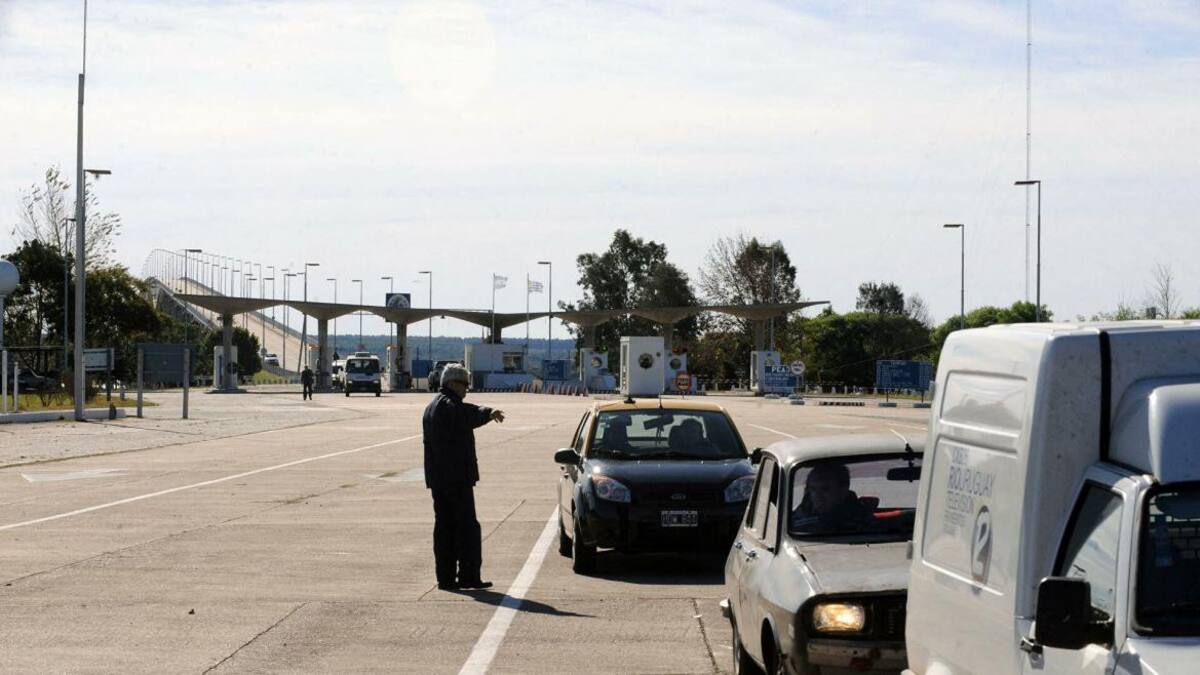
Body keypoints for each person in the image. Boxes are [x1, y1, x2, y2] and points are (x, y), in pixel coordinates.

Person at [422, 363, 505, 590]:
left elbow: (464, 411)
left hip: (440, 479)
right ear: (452, 383)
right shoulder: (447, 406)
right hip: (455, 479)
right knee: (466, 528)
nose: (466, 389)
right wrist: (487, 413)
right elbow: (464, 414)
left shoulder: (431, 407)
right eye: (464, 384)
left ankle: (446, 578)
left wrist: (484, 412)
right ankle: (468, 576)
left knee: (445, 529)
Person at [793, 461, 874, 533]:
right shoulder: (799, 514)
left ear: (843, 491)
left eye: (825, 489)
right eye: (813, 489)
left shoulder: (858, 521)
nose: (818, 496)